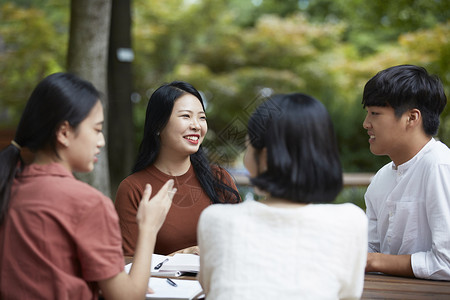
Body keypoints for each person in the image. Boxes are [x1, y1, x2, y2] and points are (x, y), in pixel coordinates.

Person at [0, 72, 176, 300]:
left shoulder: (9, 187)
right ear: (64, 132)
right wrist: (149, 228)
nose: (101, 141)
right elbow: (129, 297)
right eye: (96, 129)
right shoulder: (87, 203)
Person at [197, 93, 368, 299]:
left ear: (267, 157)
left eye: (248, 145)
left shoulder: (216, 219)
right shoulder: (350, 221)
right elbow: (348, 294)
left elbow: (209, 288)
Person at [115, 81, 241, 256]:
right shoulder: (133, 188)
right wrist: (178, 257)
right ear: (158, 125)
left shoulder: (219, 178)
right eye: (186, 116)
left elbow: (242, 242)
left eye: (202, 117)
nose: (196, 125)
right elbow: (127, 264)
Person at [362, 64, 450, 280]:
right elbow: (367, 249)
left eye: (375, 113)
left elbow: (446, 262)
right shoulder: (381, 177)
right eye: (367, 114)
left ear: (412, 118)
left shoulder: (440, 167)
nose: (366, 124)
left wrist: (375, 260)